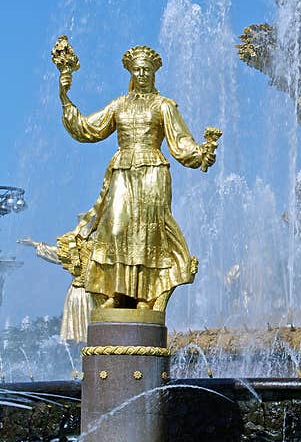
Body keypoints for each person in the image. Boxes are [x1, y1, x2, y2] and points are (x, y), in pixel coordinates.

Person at [56, 44, 218, 312]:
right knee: (116, 228)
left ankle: (147, 295)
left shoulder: (164, 106)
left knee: (149, 232)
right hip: (122, 169)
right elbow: (88, 128)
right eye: (137, 70)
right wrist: (64, 96)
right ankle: (116, 292)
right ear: (131, 72)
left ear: (154, 74)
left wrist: (200, 154)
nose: (142, 74)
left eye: (147, 70)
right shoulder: (119, 105)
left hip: (153, 170)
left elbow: (181, 141)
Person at [17, 237, 93, 343]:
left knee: (89, 333)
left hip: (86, 293)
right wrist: (34, 244)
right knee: (80, 336)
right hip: (81, 293)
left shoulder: (86, 246)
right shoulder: (79, 247)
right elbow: (58, 253)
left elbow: (59, 253)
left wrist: (34, 244)